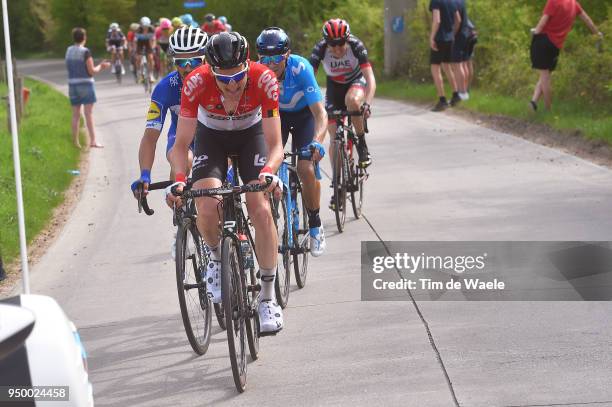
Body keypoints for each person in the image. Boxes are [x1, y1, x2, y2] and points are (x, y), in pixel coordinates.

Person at [166, 32, 285, 334]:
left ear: (248, 66)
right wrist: (180, 180)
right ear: (210, 71)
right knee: (206, 206)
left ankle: (268, 298)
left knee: (260, 207)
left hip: (252, 135)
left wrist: (270, 171)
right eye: (223, 79)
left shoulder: (265, 79)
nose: (232, 86)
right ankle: (217, 259)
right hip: (212, 137)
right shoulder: (196, 82)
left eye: (238, 78)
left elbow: (275, 144)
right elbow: (181, 146)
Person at [256, 27, 327, 257]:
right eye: (265, 58)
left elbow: (320, 113)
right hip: (277, 117)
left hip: (304, 115)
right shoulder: (257, 73)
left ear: (287, 55)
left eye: (276, 58)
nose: (271, 63)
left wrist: (317, 141)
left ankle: (315, 225)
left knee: (305, 167)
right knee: (266, 169)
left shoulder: (301, 68)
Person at [309, 18, 376, 211]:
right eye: (333, 44)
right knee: (333, 136)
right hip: (334, 88)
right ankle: (338, 184)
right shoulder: (320, 48)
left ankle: (361, 144)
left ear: (347, 39)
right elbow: (309, 78)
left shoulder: (356, 46)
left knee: (353, 102)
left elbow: (370, 78)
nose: (337, 49)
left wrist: (367, 104)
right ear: (326, 42)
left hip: (356, 81)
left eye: (340, 44)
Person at [530, 0, 603, 112]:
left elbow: (542, 23)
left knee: (545, 76)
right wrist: (597, 33)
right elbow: (587, 20)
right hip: (556, 45)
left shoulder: (553, 1)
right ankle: (533, 102)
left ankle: (548, 109)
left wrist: (534, 35)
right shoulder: (574, 4)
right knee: (546, 73)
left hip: (543, 40)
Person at [65, 27, 110, 148]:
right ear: (84, 38)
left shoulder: (68, 50)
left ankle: (75, 142)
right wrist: (101, 66)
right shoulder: (85, 52)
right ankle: (93, 141)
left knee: (75, 115)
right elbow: (92, 71)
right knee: (88, 114)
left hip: (72, 85)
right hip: (85, 84)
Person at [429, 0, 460, 111]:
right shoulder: (452, 1)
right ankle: (456, 95)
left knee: (435, 68)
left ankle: (442, 101)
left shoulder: (435, 1)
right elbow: (458, 20)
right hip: (450, 39)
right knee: (447, 67)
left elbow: (437, 20)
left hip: (439, 39)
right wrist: (452, 33)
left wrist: (432, 37)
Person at [450, 0, 468, 102]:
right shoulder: (461, 1)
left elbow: (458, 20)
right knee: (463, 64)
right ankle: (464, 92)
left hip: (458, 36)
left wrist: (452, 34)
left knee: (457, 65)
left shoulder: (453, 2)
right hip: (464, 34)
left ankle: (461, 93)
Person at [135, 16, 156, 83]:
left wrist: (153, 47)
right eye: (143, 26)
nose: (145, 28)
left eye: (146, 26)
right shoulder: (138, 30)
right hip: (139, 43)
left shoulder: (152, 29)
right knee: (138, 58)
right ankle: (139, 72)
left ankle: (151, 74)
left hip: (148, 43)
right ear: (141, 25)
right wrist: (135, 48)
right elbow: (135, 41)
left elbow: (154, 39)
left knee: (150, 58)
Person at [463, 18, 477, 93]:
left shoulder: (457, 11)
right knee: (469, 62)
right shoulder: (467, 17)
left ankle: (464, 88)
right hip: (472, 36)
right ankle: (467, 87)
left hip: (466, 38)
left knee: (464, 64)